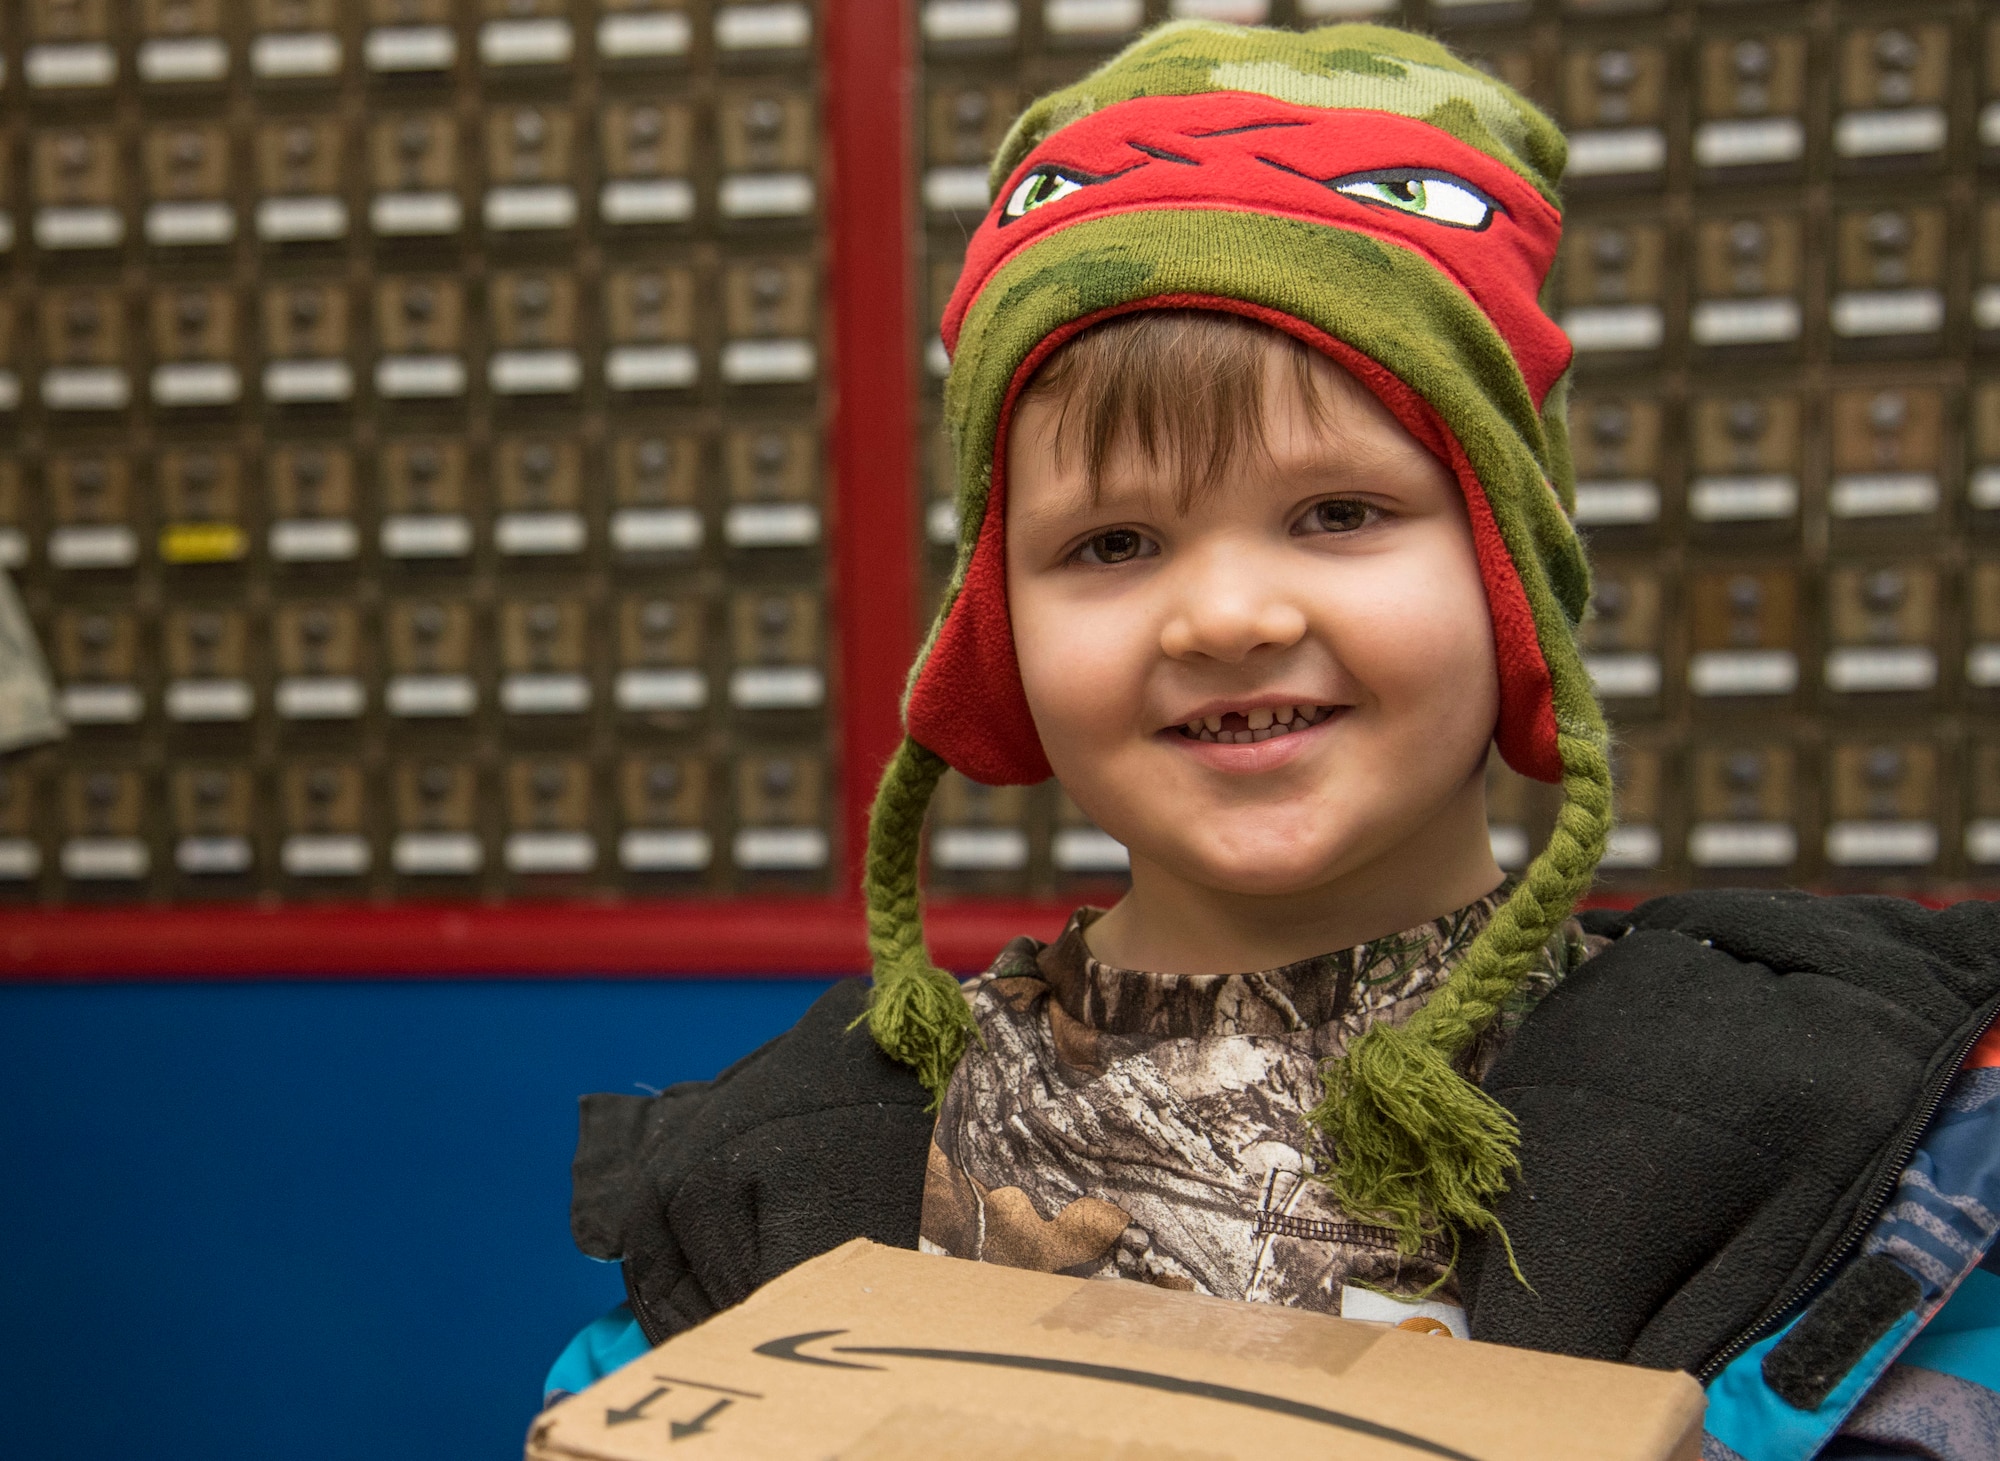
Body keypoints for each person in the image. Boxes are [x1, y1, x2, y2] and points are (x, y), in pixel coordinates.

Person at [548, 22, 2000, 1458]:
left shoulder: (1829, 1137)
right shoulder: (789, 1172)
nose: (1227, 614)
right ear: (996, 627)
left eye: (1339, 514)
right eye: (1113, 542)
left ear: (1511, 567)